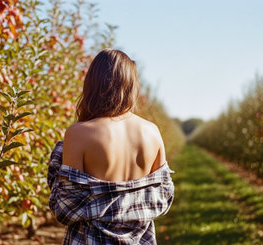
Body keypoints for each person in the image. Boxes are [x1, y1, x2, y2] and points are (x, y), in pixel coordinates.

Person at [47, 49, 175, 244]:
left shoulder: (78, 133)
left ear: (92, 84)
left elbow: (66, 209)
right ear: (131, 86)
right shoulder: (152, 132)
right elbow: (163, 199)